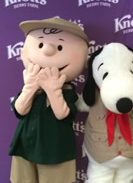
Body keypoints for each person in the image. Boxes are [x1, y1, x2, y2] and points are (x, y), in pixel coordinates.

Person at [9, 17, 89, 183]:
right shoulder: (31, 85)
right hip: (25, 147)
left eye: (59, 47)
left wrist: (53, 90)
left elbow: (63, 114)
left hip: (55, 152)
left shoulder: (67, 92)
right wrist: (30, 87)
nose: (47, 50)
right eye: (40, 44)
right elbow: (19, 110)